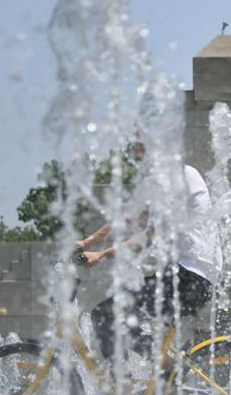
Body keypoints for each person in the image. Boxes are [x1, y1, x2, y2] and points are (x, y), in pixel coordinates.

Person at [77, 141, 220, 363]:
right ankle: (163, 371)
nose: (138, 157)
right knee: (115, 318)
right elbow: (130, 218)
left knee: (105, 316)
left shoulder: (180, 177)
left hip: (190, 278)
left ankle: (128, 385)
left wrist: (102, 253)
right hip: (185, 277)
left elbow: (147, 235)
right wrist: (88, 243)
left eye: (142, 149)